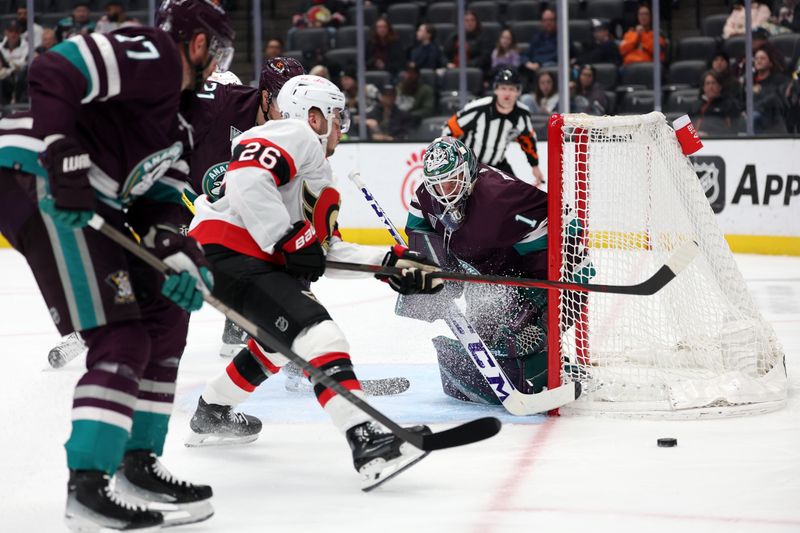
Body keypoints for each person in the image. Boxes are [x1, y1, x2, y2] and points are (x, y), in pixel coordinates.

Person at [0, 0, 234, 530]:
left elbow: (162, 206)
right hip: (32, 174)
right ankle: (87, 486)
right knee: (121, 337)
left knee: (165, 317)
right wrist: (62, 151)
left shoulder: (184, 119)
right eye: (216, 54)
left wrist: (177, 248)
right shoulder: (154, 54)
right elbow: (52, 68)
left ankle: (138, 461)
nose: (217, 69)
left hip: (88, 197)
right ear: (198, 44)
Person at [185, 74, 443, 490]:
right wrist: (287, 236)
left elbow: (319, 250)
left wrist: (391, 263)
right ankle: (368, 439)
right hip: (230, 251)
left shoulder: (315, 173)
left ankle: (212, 411)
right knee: (318, 333)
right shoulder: (292, 132)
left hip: (234, 257)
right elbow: (248, 178)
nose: (342, 124)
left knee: (276, 343)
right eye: (337, 114)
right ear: (313, 116)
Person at [396, 137, 575, 405]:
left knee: (518, 336)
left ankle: (549, 366)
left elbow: (566, 225)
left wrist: (539, 299)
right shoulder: (425, 195)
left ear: (468, 172)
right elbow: (419, 233)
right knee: (476, 331)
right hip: (488, 276)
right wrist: (425, 274)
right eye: (437, 184)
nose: (444, 192)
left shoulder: (501, 197)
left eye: (452, 180)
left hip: (545, 276)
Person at [443, 68, 544, 186]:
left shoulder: (522, 114)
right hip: (471, 165)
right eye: (503, 88)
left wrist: (535, 166)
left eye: (511, 89)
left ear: (518, 91)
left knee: (516, 194)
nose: (507, 93)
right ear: (496, 89)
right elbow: (450, 128)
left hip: (498, 165)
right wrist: (452, 161)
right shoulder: (478, 108)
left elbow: (527, 140)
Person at [690, 71, 743, 136]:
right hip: (694, 143)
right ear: (703, 87)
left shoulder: (730, 104)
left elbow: (734, 131)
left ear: (720, 86)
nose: (711, 87)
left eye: (713, 83)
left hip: (718, 142)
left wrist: (709, 135)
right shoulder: (695, 104)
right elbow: (687, 127)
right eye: (708, 83)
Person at [751, 48, 790, 132]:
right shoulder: (749, 80)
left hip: (771, 119)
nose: (759, 61)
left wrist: (755, 108)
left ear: (770, 63)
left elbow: (774, 99)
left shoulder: (779, 80)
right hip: (750, 117)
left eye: (762, 58)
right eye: (756, 58)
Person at [521, 8, 558, 75]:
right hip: (536, 69)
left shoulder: (562, 37)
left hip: (553, 68)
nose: (548, 23)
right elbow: (526, 54)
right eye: (545, 20)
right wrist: (527, 63)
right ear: (542, 22)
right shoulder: (537, 37)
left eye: (550, 20)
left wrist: (539, 63)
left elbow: (559, 55)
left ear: (555, 21)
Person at [0, 21, 29, 105]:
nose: (13, 34)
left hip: (21, 76)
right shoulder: (0, 47)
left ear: (20, 33)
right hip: (5, 77)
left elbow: (23, 64)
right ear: (6, 32)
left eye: (16, 31)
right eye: (11, 31)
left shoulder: (26, 46)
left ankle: (19, 105)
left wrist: (9, 67)